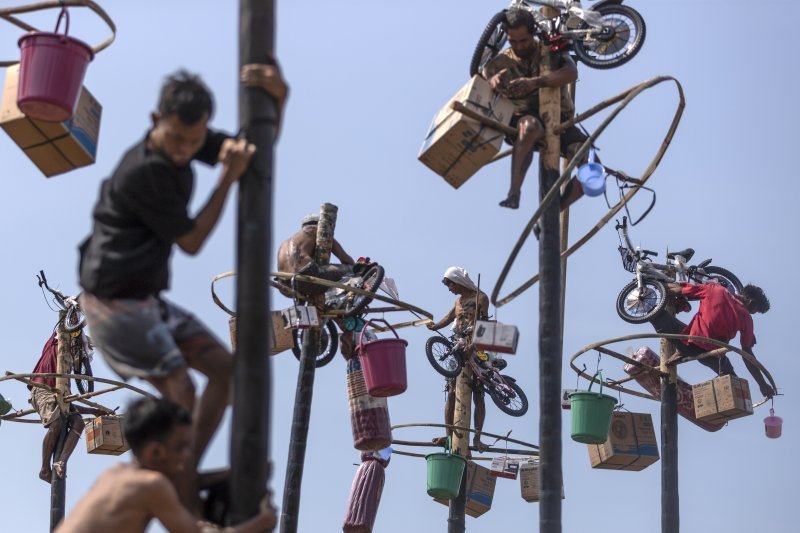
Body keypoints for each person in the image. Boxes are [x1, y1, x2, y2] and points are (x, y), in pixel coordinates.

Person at [78, 65, 286, 511]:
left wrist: (278, 99)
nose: (184, 151)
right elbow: (191, 241)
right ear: (155, 122)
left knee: (225, 371)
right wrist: (225, 178)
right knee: (182, 389)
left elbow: (251, 152)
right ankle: (183, 491)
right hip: (113, 305)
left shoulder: (193, 140)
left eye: (194, 142)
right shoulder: (143, 172)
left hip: (147, 300)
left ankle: (183, 467)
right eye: (176, 140)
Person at [55, 397, 277, 533]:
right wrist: (261, 522)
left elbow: (188, 482)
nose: (187, 456)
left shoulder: (115, 475)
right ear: (156, 452)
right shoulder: (152, 486)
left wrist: (230, 473)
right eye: (181, 447)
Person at [481, 8, 590, 210]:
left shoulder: (551, 51)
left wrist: (536, 82)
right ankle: (514, 193)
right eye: (513, 41)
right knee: (530, 127)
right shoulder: (499, 63)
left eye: (523, 40)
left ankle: (555, 210)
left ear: (532, 33)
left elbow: (570, 72)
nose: (519, 46)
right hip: (523, 117)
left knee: (590, 165)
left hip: (560, 120)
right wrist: (491, 82)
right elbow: (479, 85)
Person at [651, 282, 776, 398]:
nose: (753, 313)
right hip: (712, 355)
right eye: (755, 311)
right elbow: (747, 354)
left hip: (688, 342)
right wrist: (762, 384)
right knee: (731, 380)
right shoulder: (747, 318)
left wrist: (659, 284)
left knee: (655, 312)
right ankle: (718, 406)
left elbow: (679, 290)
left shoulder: (715, 289)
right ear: (751, 303)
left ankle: (645, 300)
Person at [427, 266, 493, 451]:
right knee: (450, 392)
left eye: (450, 284)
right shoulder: (458, 301)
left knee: (478, 394)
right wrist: (435, 326)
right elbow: (449, 318)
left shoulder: (481, 297)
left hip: (477, 346)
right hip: (458, 346)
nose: (449, 288)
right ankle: (449, 436)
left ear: (458, 281)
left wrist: (475, 344)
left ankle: (477, 439)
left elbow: (485, 323)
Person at [29, 333, 104, 482]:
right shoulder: (55, 344)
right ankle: (44, 469)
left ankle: (61, 462)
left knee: (78, 422)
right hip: (42, 388)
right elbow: (64, 327)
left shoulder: (65, 372)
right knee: (56, 423)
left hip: (58, 394)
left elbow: (67, 405)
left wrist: (94, 411)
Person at [277, 214, 355, 296]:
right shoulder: (319, 230)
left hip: (285, 285)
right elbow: (344, 258)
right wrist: (357, 268)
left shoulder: (285, 243)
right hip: (306, 277)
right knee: (351, 269)